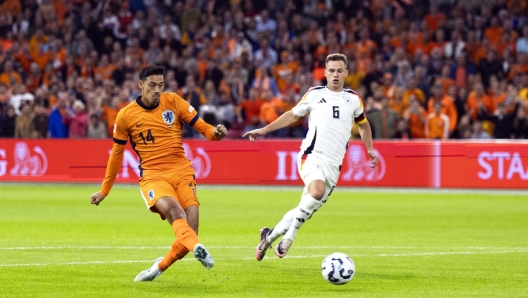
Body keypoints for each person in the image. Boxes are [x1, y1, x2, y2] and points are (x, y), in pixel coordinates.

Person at [90, 65, 228, 281]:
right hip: (153, 175)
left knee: (188, 236)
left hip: (182, 170)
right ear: (141, 85)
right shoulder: (125, 115)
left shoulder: (173, 101)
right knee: (175, 212)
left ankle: (158, 268)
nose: (157, 90)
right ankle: (198, 248)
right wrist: (104, 190)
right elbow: (116, 154)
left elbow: (204, 128)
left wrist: (216, 133)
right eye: (152, 85)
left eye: (161, 85)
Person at [243, 54, 378, 260]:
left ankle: (267, 239)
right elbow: (292, 115)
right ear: (325, 73)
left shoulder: (353, 99)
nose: (335, 75)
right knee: (316, 192)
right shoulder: (314, 94)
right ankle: (290, 236)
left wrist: (369, 148)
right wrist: (264, 130)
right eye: (331, 70)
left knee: (305, 209)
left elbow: (363, 124)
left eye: (339, 71)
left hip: (334, 166)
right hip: (311, 155)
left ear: (346, 73)